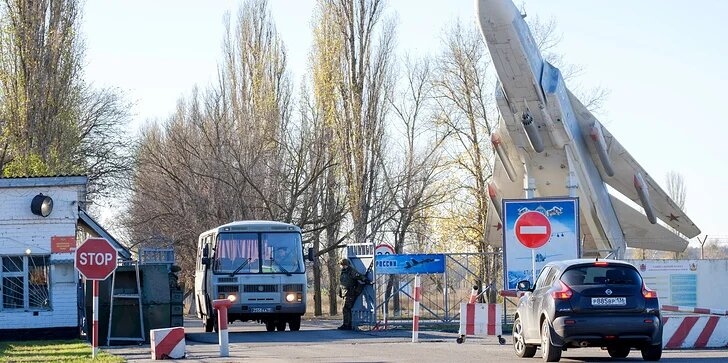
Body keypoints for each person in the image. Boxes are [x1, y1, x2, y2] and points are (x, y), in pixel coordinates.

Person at [338, 258, 368, 330]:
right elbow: (342, 283)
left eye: (341, 265)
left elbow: (359, 276)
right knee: (346, 309)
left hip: (350, 293)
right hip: (345, 293)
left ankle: (347, 325)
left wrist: (365, 280)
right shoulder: (343, 272)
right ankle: (347, 324)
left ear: (344, 265)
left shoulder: (351, 271)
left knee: (346, 308)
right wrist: (340, 292)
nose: (340, 266)